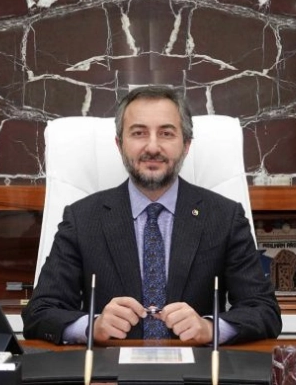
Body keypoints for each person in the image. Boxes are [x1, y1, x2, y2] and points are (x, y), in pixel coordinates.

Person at [21, 85, 282, 345]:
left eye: (166, 133)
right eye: (139, 133)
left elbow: (264, 311)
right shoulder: (82, 218)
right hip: (108, 366)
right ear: (119, 144)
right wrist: (92, 326)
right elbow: (39, 313)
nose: (153, 147)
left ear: (186, 145)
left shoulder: (224, 217)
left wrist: (210, 328)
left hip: (197, 366)